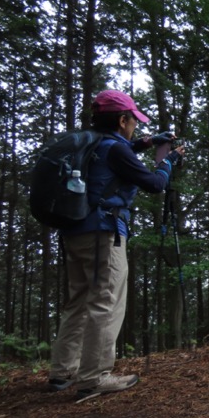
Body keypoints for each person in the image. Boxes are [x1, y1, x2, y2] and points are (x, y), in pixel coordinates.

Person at [47, 90, 184, 401]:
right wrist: (168, 161)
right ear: (122, 120)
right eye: (133, 121)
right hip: (104, 232)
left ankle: (62, 371)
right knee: (105, 301)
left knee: (79, 300)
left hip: (76, 231)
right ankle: (94, 377)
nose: (135, 126)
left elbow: (122, 151)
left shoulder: (92, 142)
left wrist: (149, 141)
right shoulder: (115, 150)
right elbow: (155, 184)